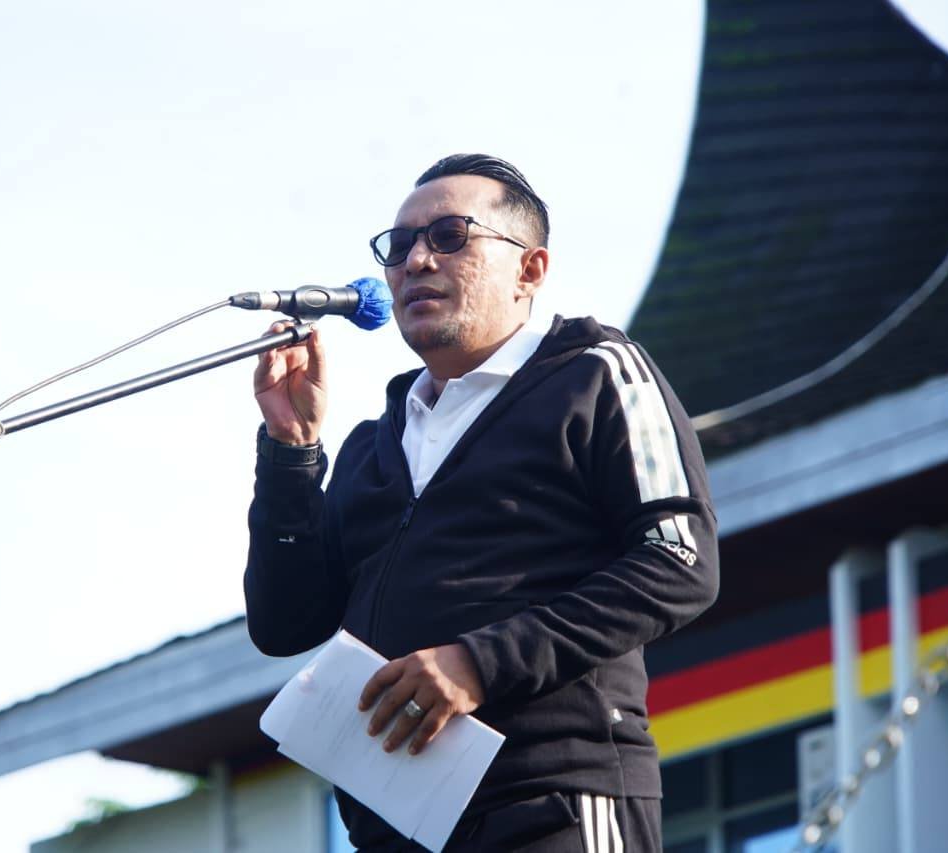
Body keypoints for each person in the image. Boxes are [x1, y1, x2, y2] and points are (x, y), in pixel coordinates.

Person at [244, 154, 718, 852]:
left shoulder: (595, 375)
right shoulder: (374, 443)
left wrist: (479, 663)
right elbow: (284, 624)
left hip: (552, 803)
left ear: (530, 269)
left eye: (449, 236)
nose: (416, 261)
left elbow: (680, 560)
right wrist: (291, 453)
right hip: (396, 829)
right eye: (399, 245)